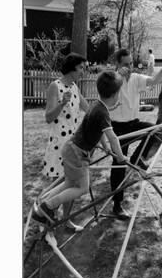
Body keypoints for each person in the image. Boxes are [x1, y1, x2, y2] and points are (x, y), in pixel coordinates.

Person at [33, 71, 127, 228]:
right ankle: (48, 206)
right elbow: (113, 137)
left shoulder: (97, 106)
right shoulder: (102, 112)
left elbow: (101, 132)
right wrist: (121, 157)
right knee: (82, 187)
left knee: (70, 183)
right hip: (77, 154)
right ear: (115, 94)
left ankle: (43, 205)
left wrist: (105, 147)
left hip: (71, 149)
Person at [110, 49, 162, 218]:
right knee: (118, 166)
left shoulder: (136, 78)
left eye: (131, 63)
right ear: (117, 64)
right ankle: (117, 205)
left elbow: (153, 81)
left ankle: (137, 160)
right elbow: (105, 92)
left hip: (132, 123)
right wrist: (117, 76)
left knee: (155, 130)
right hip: (116, 128)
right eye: (125, 64)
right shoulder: (112, 79)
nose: (129, 67)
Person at [42, 52, 89, 231]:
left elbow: (87, 108)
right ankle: (47, 226)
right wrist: (62, 103)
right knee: (56, 186)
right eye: (81, 68)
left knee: (73, 184)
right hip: (58, 145)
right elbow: (48, 117)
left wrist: (105, 111)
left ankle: (66, 221)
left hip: (72, 146)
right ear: (71, 68)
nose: (83, 71)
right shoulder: (55, 86)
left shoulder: (75, 87)